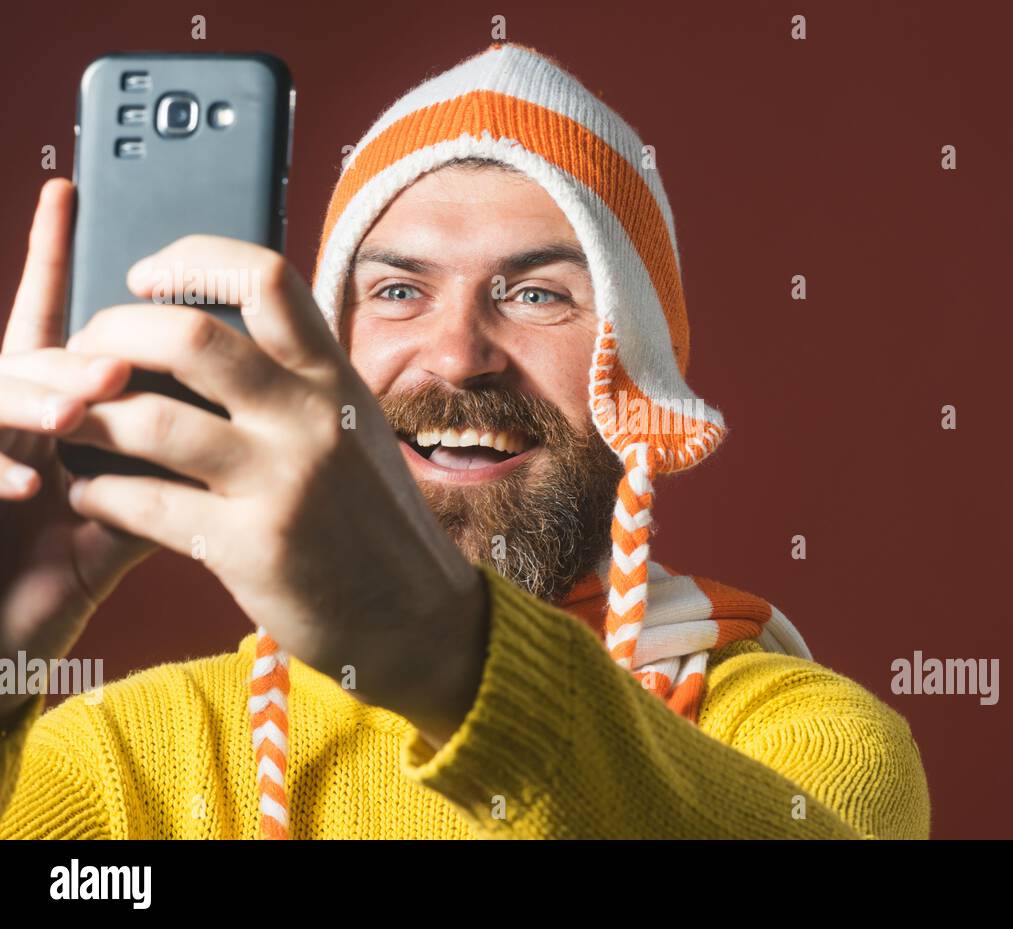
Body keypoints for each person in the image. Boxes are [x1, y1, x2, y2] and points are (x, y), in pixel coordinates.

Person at [0, 41, 930, 839]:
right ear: (327, 350)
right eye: (399, 290)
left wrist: (438, 645)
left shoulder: (805, 744)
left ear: (639, 373)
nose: (458, 356)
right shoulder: (127, 764)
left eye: (536, 294)